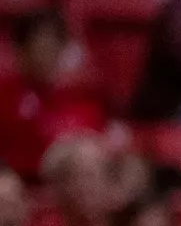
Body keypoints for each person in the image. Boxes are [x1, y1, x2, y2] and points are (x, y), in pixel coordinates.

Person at [0, 9, 107, 179]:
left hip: (66, 187)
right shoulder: (5, 96)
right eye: (38, 47)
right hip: (17, 182)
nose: (45, 56)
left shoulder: (80, 98)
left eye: (53, 47)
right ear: (20, 50)